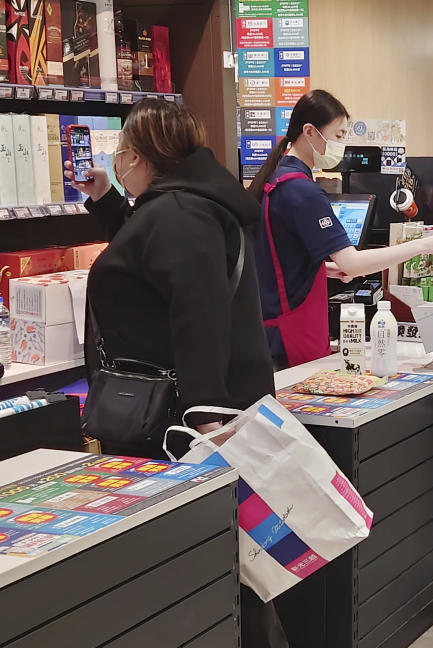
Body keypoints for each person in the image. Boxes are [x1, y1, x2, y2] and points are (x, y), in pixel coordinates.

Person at [65, 99, 288, 647]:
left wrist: (205, 416)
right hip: (190, 412)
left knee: (218, 563)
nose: (118, 162)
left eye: (121, 155)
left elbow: (197, 315)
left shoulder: (181, 214)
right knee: (230, 558)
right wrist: (106, 201)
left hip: (180, 424)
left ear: (141, 157)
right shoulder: (188, 203)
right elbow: (151, 257)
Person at [248, 90, 433, 369]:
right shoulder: (300, 190)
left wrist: (322, 269)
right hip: (291, 339)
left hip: (276, 332)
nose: (342, 144)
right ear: (309, 132)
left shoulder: (277, 180)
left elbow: (280, 255)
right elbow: (352, 264)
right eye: (339, 136)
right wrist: (423, 244)